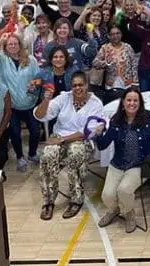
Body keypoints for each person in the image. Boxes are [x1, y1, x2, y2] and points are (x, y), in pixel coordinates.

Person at [95, 87, 150, 232]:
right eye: (129, 100)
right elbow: (103, 145)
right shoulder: (115, 121)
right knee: (107, 195)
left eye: (135, 100)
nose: (132, 103)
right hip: (118, 164)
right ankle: (115, 210)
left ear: (140, 103)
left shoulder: (148, 118)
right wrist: (98, 134)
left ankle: (129, 214)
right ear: (123, 103)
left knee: (124, 190)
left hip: (139, 164)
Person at [34, 71, 104, 220]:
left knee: (76, 154)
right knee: (47, 155)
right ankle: (48, 201)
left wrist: (62, 139)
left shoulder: (96, 103)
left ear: (87, 85)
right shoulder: (63, 98)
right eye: (74, 86)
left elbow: (87, 131)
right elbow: (40, 116)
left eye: (80, 85)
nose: (77, 88)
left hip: (81, 140)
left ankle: (76, 200)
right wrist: (46, 101)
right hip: (59, 137)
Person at [0, 33, 40, 171]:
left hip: (29, 102)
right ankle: (20, 157)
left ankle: (32, 154)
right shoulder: (1, 60)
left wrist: (35, 86)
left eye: (15, 43)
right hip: (11, 106)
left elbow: (38, 78)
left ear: (20, 45)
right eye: (9, 44)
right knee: (15, 133)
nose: (13, 46)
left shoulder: (31, 60)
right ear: (5, 46)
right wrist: (1, 40)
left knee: (35, 131)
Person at [91, 25, 137, 104]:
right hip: (111, 83)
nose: (115, 36)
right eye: (112, 34)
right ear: (108, 36)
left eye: (117, 33)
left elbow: (134, 65)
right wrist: (105, 63)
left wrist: (135, 83)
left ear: (121, 34)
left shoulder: (128, 47)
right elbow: (94, 63)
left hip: (127, 83)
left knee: (127, 103)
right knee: (113, 105)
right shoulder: (105, 48)